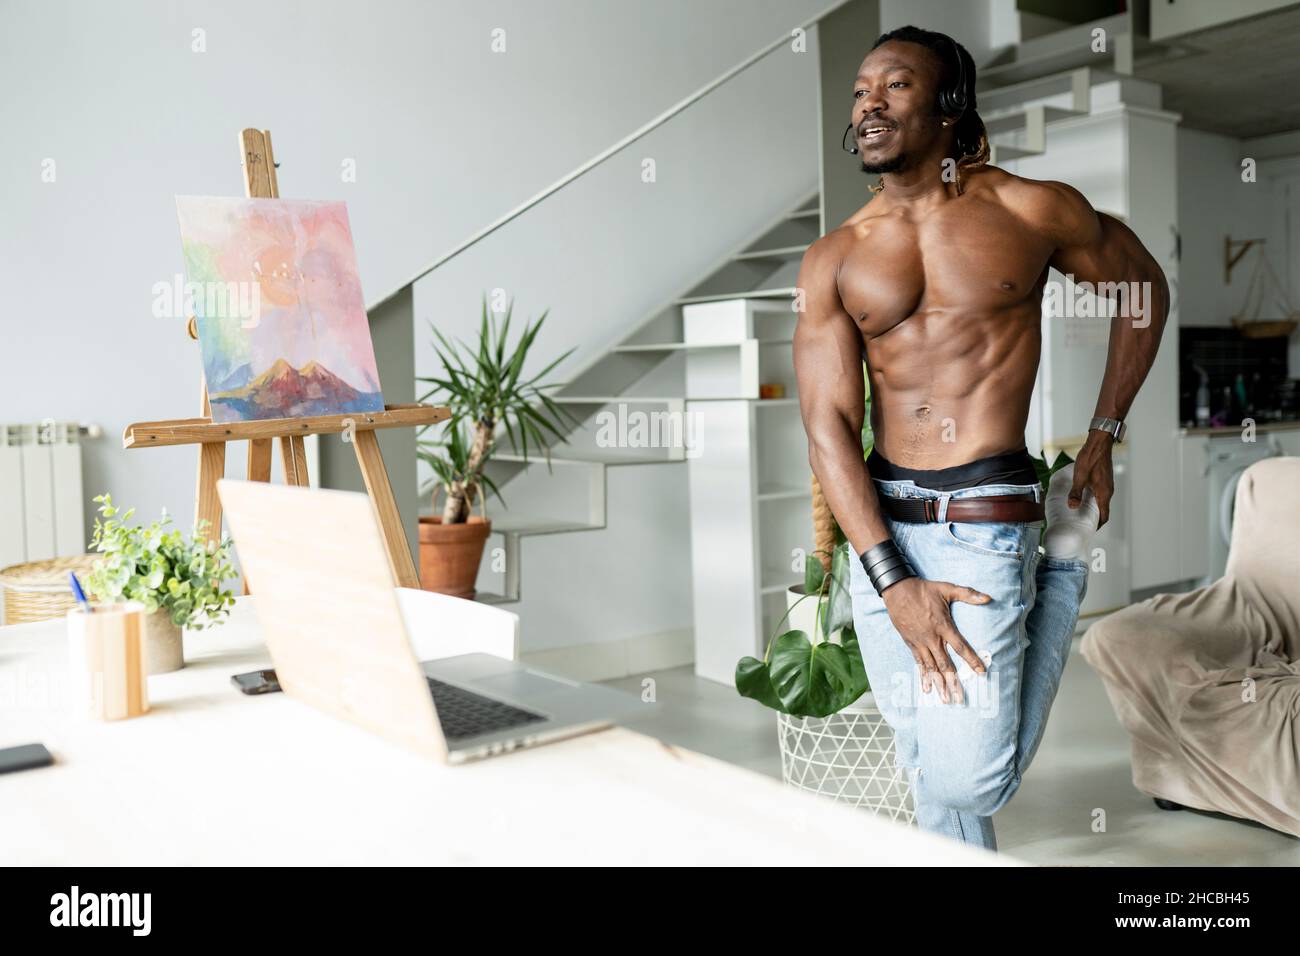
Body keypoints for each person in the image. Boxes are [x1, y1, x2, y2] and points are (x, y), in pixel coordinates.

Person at [792, 24, 1169, 850]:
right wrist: (891, 579)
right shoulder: (835, 257)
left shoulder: (1032, 210)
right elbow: (826, 423)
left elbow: (1142, 289)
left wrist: (1104, 432)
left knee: (967, 776)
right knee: (928, 766)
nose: (869, 104)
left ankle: (1062, 567)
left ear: (951, 107)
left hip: (986, 517)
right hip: (882, 525)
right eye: (860, 91)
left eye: (894, 86)